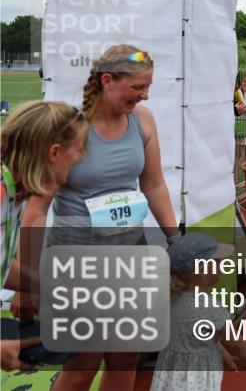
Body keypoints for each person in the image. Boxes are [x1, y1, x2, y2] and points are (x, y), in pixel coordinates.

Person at [23, 44, 181, 391]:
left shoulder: (143, 120)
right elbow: (36, 210)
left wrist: (176, 239)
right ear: (107, 81)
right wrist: (28, 283)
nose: (145, 95)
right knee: (82, 368)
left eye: (148, 86)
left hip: (130, 259)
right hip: (78, 265)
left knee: (125, 361)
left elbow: (154, 185)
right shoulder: (68, 130)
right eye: (137, 87)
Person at [1, 101, 88, 371]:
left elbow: (2, 265)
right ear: (54, 153)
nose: (81, 158)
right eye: (79, 150)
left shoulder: (15, 193)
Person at [150, 233, 246, 390]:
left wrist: (220, 348)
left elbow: (189, 334)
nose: (222, 266)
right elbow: (233, 342)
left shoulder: (169, 298)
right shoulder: (211, 307)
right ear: (203, 270)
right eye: (218, 262)